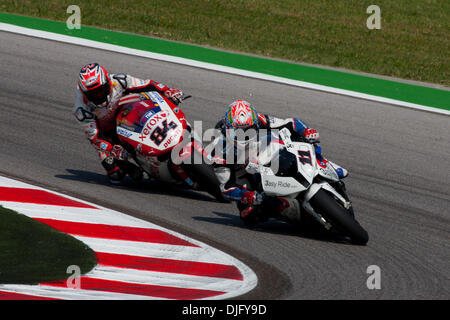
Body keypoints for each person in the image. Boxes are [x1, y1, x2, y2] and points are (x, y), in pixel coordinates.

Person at [212, 99, 348, 226]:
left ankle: (322, 164)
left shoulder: (260, 119)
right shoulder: (220, 148)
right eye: (238, 131)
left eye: (249, 129)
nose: (244, 134)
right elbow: (226, 187)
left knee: (304, 140)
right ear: (228, 128)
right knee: (248, 215)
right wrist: (246, 195)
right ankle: (287, 210)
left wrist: (306, 131)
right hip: (245, 175)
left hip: (269, 154)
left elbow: (292, 123)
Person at [73, 63, 183, 184]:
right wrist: (113, 149)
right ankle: (141, 166)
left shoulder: (120, 81)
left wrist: (168, 91)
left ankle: (177, 129)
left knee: (155, 103)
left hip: (132, 113)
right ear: (85, 94)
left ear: (108, 82)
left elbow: (147, 84)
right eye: (93, 94)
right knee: (115, 173)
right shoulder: (82, 111)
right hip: (110, 135)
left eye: (101, 90)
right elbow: (95, 138)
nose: (99, 95)